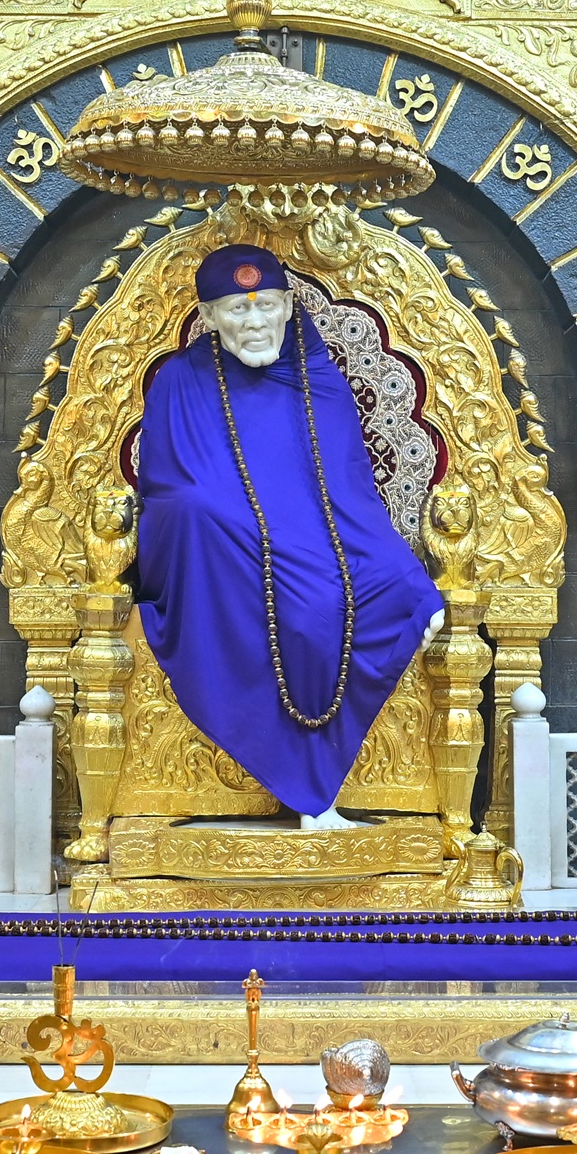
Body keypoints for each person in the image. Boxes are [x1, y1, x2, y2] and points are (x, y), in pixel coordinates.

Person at [136, 243, 445, 829]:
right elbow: (169, 488)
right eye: (237, 309)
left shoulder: (317, 381)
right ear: (208, 318)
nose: (254, 322)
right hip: (220, 552)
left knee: (380, 591)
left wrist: (409, 577)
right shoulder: (180, 381)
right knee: (268, 576)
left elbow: (351, 492)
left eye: (266, 306)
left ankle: (316, 790)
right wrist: (228, 518)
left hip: (320, 540)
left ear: (287, 307)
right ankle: (308, 792)